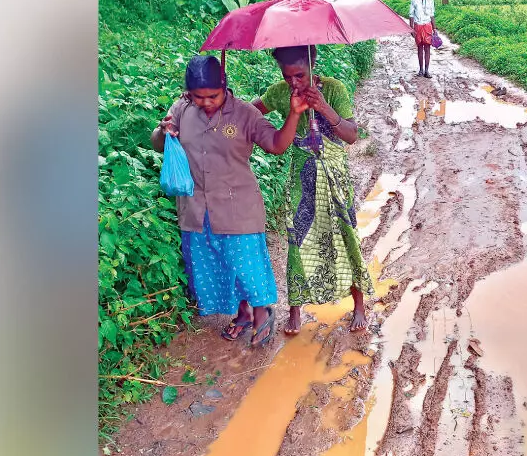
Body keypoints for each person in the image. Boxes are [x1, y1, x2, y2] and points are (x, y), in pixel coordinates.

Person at [151, 55, 308, 348]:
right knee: (218, 264)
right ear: (188, 93)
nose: (206, 102)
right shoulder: (181, 109)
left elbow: (276, 145)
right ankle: (243, 313)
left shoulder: (245, 114)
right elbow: (158, 142)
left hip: (238, 207)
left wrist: (295, 114)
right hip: (196, 208)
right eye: (198, 97)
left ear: (224, 87)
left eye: (212, 96)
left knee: (246, 264)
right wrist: (164, 132)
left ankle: (262, 311)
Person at [252, 45, 375, 335]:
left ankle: (358, 304)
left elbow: (351, 135)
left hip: (335, 178)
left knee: (345, 237)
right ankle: (295, 309)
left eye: (300, 75)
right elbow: (249, 111)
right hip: (301, 180)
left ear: (313, 65)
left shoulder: (333, 90)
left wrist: (323, 107)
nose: (294, 82)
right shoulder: (280, 94)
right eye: (287, 76)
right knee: (298, 241)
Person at [409, 0, 436, 78]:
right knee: (420, 47)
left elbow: (432, 15)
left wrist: (435, 29)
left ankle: (427, 71)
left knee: (427, 48)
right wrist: (411, 28)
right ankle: (421, 70)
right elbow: (411, 15)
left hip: (427, 25)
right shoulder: (414, 0)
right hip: (418, 26)